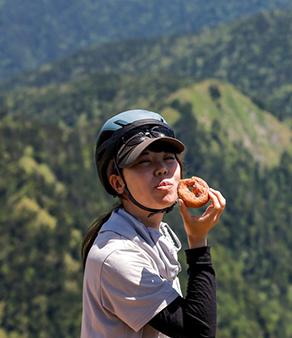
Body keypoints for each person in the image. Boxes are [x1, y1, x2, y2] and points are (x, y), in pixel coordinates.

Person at [80, 109, 226, 338]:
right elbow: (200, 333)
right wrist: (198, 243)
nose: (162, 168)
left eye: (168, 158)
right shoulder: (115, 256)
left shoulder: (151, 235)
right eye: (144, 161)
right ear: (118, 183)